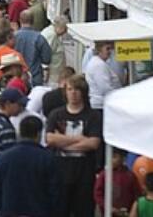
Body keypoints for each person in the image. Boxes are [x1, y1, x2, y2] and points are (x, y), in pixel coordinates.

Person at [45, 74, 102, 217]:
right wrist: (78, 139)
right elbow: (50, 138)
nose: (73, 93)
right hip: (61, 173)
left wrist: (62, 142)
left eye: (77, 89)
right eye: (69, 89)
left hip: (84, 174)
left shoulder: (93, 116)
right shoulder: (56, 115)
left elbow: (93, 143)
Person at [0, 117, 59, 217]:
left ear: (19, 132)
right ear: (39, 133)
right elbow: (55, 192)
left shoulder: (4, 157)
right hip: (40, 211)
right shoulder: (48, 158)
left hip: (10, 211)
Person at [95, 148, 142, 217]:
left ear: (123, 158)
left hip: (126, 212)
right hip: (108, 213)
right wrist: (109, 208)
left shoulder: (130, 176)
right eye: (110, 157)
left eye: (114, 157)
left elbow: (137, 194)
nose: (111, 160)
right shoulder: (104, 174)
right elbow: (98, 194)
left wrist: (132, 210)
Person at [12, 9, 51, 87]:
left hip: (16, 76)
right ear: (33, 20)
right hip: (35, 76)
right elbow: (47, 59)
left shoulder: (13, 37)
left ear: (20, 20)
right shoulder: (39, 37)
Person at [84, 41, 121, 109]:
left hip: (102, 103)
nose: (110, 52)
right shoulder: (98, 65)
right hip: (101, 104)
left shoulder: (98, 63)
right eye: (107, 49)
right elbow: (105, 88)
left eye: (110, 49)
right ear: (99, 50)